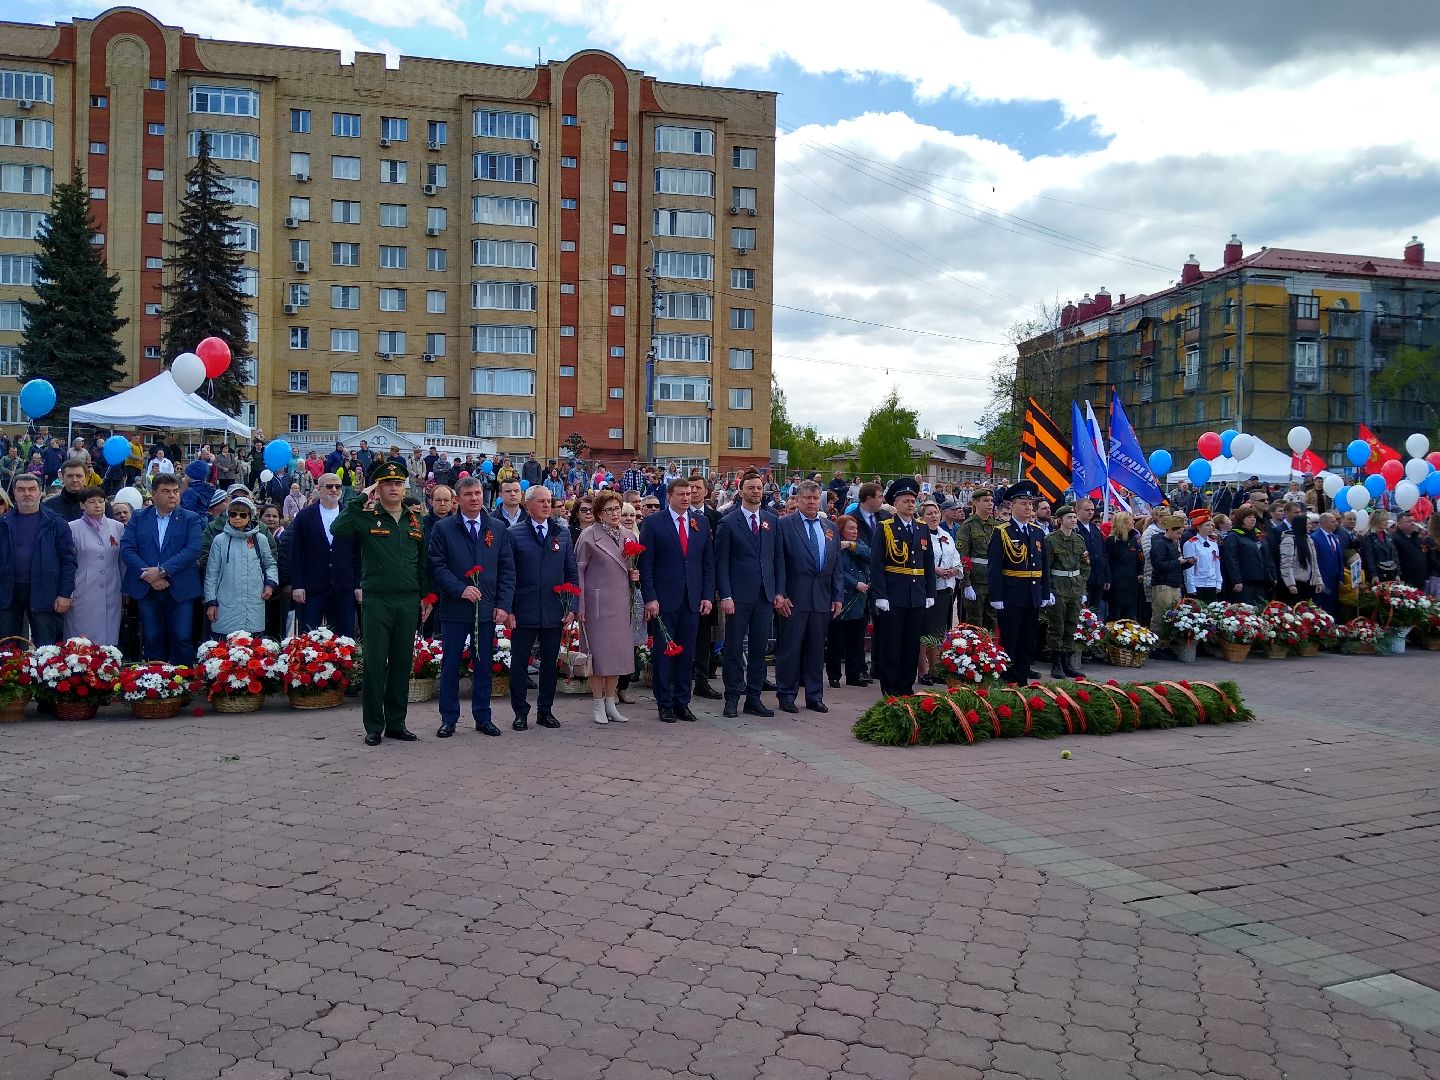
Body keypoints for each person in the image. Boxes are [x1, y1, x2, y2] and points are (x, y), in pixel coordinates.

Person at [331, 460, 434, 746]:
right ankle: (374, 725)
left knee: (402, 663)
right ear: (379, 488)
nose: (393, 488)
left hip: (408, 600)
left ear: (405, 488)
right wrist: (363, 495)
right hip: (377, 600)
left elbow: (421, 563)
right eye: (387, 483)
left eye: (398, 483)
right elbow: (339, 528)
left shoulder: (415, 521)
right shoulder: (366, 517)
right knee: (376, 663)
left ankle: (397, 723)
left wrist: (426, 596)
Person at [428, 476, 515, 738]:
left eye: (478, 493)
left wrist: (503, 605)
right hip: (455, 609)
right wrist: (460, 588)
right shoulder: (444, 528)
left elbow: (507, 570)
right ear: (458, 500)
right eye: (468, 494)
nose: (475, 498)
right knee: (451, 666)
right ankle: (449, 718)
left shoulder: (497, 528)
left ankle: (483, 716)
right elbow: (436, 566)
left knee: (483, 666)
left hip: (487, 610)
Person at [638, 477, 716, 723]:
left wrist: (706, 595)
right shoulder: (653, 523)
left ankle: (683, 702)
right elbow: (646, 564)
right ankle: (665, 703)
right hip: (664, 600)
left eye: (690, 493)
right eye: (681, 494)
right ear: (669, 496)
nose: (686, 497)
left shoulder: (700, 522)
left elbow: (707, 563)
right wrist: (650, 597)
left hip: (692, 600)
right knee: (664, 653)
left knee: (686, 653)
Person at [507, 485, 578, 731]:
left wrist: (572, 605)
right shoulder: (514, 534)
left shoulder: (563, 533)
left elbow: (571, 572)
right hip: (523, 608)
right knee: (519, 662)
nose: (547, 505)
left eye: (549, 501)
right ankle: (520, 712)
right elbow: (508, 574)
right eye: (541, 501)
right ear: (528, 506)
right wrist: (509, 609)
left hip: (553, 609)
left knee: (549, 662)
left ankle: (545, 711)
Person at [714, 469, 781, 718]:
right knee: (733, 649)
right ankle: (732, 697)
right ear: (740, 491)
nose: (756, 491)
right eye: (751, 488)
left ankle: (753, 698)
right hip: (738, 597)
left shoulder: (771, 520)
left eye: (759, 488)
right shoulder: (728, 522)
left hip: (764, 595)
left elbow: (777, 559)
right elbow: (721, 563)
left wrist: (779, 592)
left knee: (759, 649)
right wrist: (726, 595)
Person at [773, 480, 843, 714]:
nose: (812, 502)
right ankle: (786, 694)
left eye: (815, 498)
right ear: (797, 499)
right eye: (807, 498)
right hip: (794, 597)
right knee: (790, 649)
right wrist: (780, 594)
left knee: (816, 650)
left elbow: (836, 565)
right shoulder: (784, 525)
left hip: (821, 598)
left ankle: (814, 696)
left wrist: (837, 596)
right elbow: (778, 562)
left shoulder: (829, 526)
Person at [120, 474, 204, 664]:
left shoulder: (191, 518)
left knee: (182, 637)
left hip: (180, 589)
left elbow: (192, 550)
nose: (172, 496)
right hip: (147, 589)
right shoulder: (139, 517)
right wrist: (149, 576)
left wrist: (162, 571)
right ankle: (157, 684)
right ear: (154, 494)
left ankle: (183, 684)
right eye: (166, 492)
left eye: (175, 491)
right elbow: (127, 549)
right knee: (152, 637)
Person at [869, 477, 936, 697]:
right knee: (892, 643)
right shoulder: (886, 527)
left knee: (911, 644)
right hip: (893, 595)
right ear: (895, 504)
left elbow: (928, 562)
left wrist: (930, 592)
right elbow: (877, 563)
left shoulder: (922, 528)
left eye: (912, 500)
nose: (910, 505)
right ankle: (890, 687)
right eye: (905, 501)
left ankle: (906, 686)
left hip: (916, 595)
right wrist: (880, 594)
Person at [575, 490, 636, 726]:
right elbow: (578, 571)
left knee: (617, 656)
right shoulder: (588, 536)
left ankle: (611, 702)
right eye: (609, 509)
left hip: (621, 603)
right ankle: (598, 702)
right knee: (597, 656)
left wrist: (635, 575)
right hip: (596, 604)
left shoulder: (629, 535)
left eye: (617, 508)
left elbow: (631, 568)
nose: (614, 513)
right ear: (599, 514)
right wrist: (579, 604)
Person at [0, 473, 78, 644]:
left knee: (46, 646)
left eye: (31, 489)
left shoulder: (56, 523)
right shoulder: (3, 523)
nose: (27, 493)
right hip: (7, 592)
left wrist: (65, 594)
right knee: (7, 646)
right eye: (21, 489)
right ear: (14, 492)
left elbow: (68, 561)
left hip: (45, 591)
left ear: (39, 492)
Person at [987, 480, 1049, 685]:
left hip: (1032, 595)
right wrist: (996, 596)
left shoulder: (1037, 532)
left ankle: (1022, 679)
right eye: (1023, 503)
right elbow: (994, 566)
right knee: (1010, 640)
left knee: (1027, 640)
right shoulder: (1002, 531)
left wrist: (1045, 593)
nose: (1028, 507)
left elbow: (1043, 566)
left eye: (1030, 503)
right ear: (1012, 505)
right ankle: (1007, 679)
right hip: (1011, 594)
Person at [288, 474, 361, 636]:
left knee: (345, 640)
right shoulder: (304, 516)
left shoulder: (351, 516)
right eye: (329, 486)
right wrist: (297, 584)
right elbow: (296, 553)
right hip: (312, 588)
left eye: (338, 486)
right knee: (308, 640)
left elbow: (359, 553)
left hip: (343, 587)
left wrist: (358, 584)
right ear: (318, 489)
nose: (334, 490)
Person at [203, 497, 277, 637]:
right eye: (233, 514)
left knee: (253, 649)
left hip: (254, 602)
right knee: (224, 651)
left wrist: (270, 584)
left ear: (250, 517)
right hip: (226, 603)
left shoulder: (260, 539)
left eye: (242, 515)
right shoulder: (219, 540)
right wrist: (211, 602)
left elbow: (270, 564)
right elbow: (211, 574)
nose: (237, 518)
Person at [65, 488, 125, 646]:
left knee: (109, 633)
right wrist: (67, 592)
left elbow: (123, 560)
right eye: (91, 502)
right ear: (82, 505)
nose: (97, 505)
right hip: (82, 587)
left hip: (112, 586)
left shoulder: (118, 527)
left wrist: (126, 587)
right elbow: (67, 562)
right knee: (81, 636)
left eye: (101, 501)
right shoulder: (72, 528)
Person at [1042, 504, 1089, 679]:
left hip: (1075, 587)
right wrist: (1048, 591)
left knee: (1071, 625)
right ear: (1060, 520)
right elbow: (1045, 567)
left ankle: (1068, 662)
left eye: (1074, 517)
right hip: (1058, 587)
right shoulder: (1051, 540)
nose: (1073, 520)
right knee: (1057, 626)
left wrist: (1082, 585)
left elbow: (1085, 565)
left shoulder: (1079, 540)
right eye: (1069, 517)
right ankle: (1056, 664)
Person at [917, 499, 960, 684]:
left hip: (945, 588)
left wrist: (955, 570)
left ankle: (936, 669)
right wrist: (935, 570)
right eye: (929, 513)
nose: (934, 516)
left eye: (935, 512)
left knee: (938, 631)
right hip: (928, 588)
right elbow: (918, 559)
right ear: (922, 517)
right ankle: (922, 671)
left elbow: (955, 556)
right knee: (924, 630)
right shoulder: (919, 535)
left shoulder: (946, 535)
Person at [826, 514, 871, 689]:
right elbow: (836, 571)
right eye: (850, 529)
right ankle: (834, 675)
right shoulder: (834, 544)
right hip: (843, 598)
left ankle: (854, 674)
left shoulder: (858, 545)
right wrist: (854, 583)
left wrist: (852, 546)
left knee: (856, 641)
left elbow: (871, 555)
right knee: (836, 640)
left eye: (856, 529)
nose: (854, 532)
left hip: (860, 600)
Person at [955, 487, 997, 630]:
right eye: (986, 501)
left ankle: (991, 651)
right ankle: (975, 651)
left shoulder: (997, 526)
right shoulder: (968, 526)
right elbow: (962, 556)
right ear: (976, 503)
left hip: (992, 579)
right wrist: (966, 584)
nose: (990, 504)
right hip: (976, 581)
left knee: (991, 619)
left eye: (991, 501)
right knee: (974, 621)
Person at [1148, 514, 1191, 649]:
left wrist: (1188, 563)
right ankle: (1156, 646)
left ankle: (1165, 645)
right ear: (1170, 529)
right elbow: (1158, 565)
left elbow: (1175, 565)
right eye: (1178, 533)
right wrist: (1177, 562)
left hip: (1173, 584)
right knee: (1160, 616)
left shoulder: (1173, 543)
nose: (1179, 536)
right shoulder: (1159, 544)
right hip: (1163, 585)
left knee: (1170, 617)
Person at [1221, 506, 1273, 607]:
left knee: (1261, 609)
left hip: (1262, 580)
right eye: (1249, 517)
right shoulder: (1234, 536)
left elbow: (1268, 557)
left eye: (1254, 517)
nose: (1253, 519)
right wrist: (1237, 580)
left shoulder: (1258, 535)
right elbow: (1231, 560)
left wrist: (1272, 575)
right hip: (1245, 582)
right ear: (1241, 519)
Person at [1074, 497, 1110, 618]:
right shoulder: (1075, 529)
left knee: (1095, 612)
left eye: (1092, 510)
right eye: (1087, 510)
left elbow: (1103, 554)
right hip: (1083, 579)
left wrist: (1106, 577)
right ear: (1078, 511)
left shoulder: (1094, 529)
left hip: (1098, 577)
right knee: (1082, 612)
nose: (1090, 512)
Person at [1279, 513, 1322, 601]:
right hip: (1295, 582)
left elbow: (1314, 563)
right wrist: (1290, 584)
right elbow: (1286, 564)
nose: (1310, 526)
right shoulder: (1289, 540)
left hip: (1307, 581)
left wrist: (1318, 582)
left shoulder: (1309, 540)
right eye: (1307, 524)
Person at [1182, 513, 1223, 602]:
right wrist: (1191, 587)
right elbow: (1189, 567)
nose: (1211, 528)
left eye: (1212, 525)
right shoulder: (1191, 543)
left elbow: (1216, 564)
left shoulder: (1214, 543)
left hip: (1211, 583)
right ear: (1199, 527)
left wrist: (1218, 583)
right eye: (1207, 525)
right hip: (1198, 583)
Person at [44, 457, 100, 522]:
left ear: (86, 477)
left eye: (79, 476)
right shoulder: (49, 504)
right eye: (70, 476)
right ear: (62, 477)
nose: (75, 480)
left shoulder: (100, 503)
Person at [1393, 512, 1428, 590]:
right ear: (1399, 524)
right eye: (1409, 522)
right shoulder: (1395, 539)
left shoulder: (1416, 537)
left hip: (1420, 578)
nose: (1412, 524)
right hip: (1407, 579)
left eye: (1413, 521)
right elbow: (1396, 559)